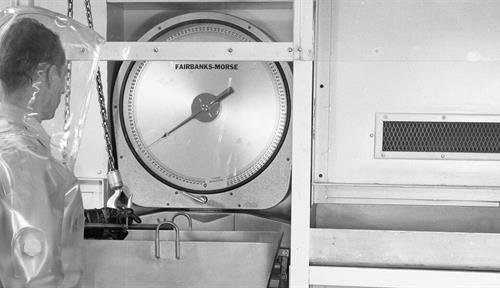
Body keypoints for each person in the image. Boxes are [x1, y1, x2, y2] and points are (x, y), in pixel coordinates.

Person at [0, 18, 83, 287]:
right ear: (47, 74)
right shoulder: (24, 158)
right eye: (63, 75)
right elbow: (35, 275)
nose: (63, 89)